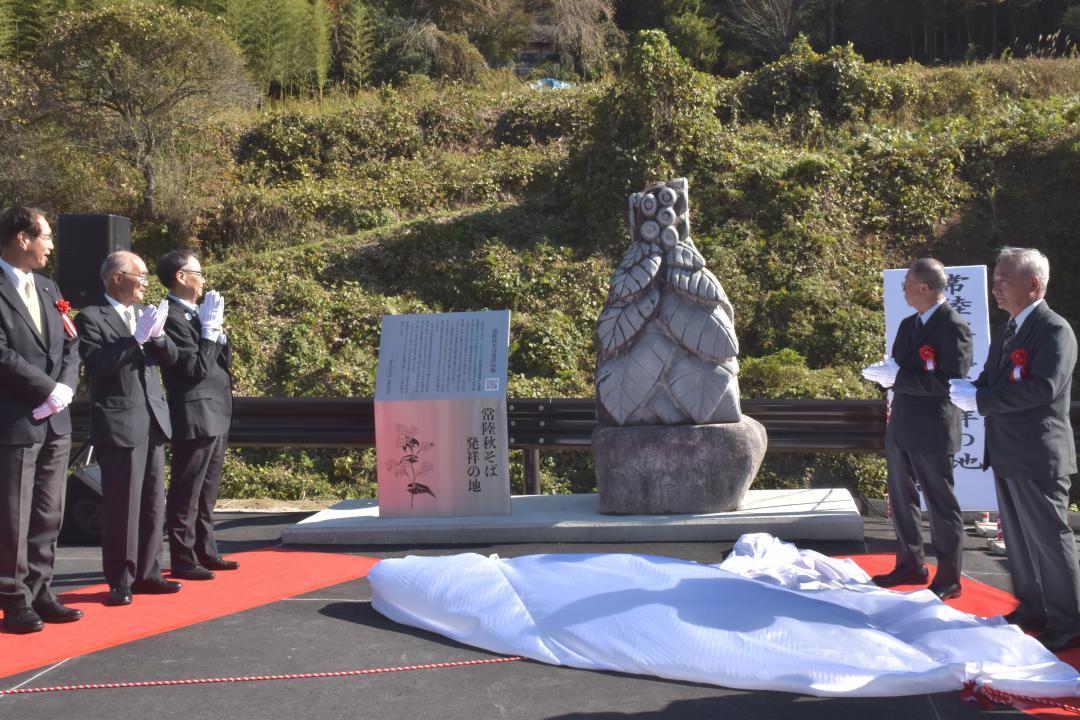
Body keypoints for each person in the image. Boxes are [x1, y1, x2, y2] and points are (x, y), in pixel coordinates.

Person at [950, 247, 1080, 652]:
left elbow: (1043, 388)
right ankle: (1032, 608)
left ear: (1034, 284)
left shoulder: (1054, 330)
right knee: (1019, 539)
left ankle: (1068, 619)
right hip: (1007, 451)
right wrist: (970, 390)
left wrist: (983, 401)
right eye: (995, 280)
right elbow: (992, 378)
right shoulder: (1010, 329)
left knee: (1049, 538)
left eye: (1004, 280)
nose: (995, 287)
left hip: (1038, 454)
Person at [862, 258, 972, 600]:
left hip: (933, 428)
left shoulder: (953, 326)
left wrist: (899, 378)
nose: (904, 289)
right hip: (903, 423)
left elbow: (949, 382)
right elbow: (899, 368)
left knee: (940, 504)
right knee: (901, 498)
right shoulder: (909, 325)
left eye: (907, 283)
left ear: (925, 287)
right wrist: (884, 377)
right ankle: (911, 563)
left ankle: (950, 576)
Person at [75, 251, 181, 606]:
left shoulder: (143, 314)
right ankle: (121, 578)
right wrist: (133, 341)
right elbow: (98, 365)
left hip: (151, 418)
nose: (147, 283)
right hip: (120, 421)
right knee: (123, 505)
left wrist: (160, 337)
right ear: (118, 277)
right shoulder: (91, 317)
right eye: (142, 275)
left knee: (153, 502)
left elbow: (170, 362)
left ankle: (149, 572)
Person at [0, 205, 82, 633]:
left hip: (55, 418)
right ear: (21, 238)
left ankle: (41, 587)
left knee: (49, 511)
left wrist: (64, 390)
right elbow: (2, 354)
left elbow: (71, 343)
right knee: (14, 515)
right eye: (44, 236)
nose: (50, 244)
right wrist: (46, 390)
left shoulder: (50, 288)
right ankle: (13, 599)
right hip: (16, 418)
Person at [156, 250, 238, 581]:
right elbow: (194, 369)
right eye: (198, 272)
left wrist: (216, 331)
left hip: (216, 408)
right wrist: (208, 331)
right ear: (180, 277)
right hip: (194, 410)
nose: (203, 278)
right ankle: (183, 556)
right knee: (187, 488)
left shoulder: (195, 314)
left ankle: (206, 548)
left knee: (207, 489)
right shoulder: (171, 317)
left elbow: (221, 362)